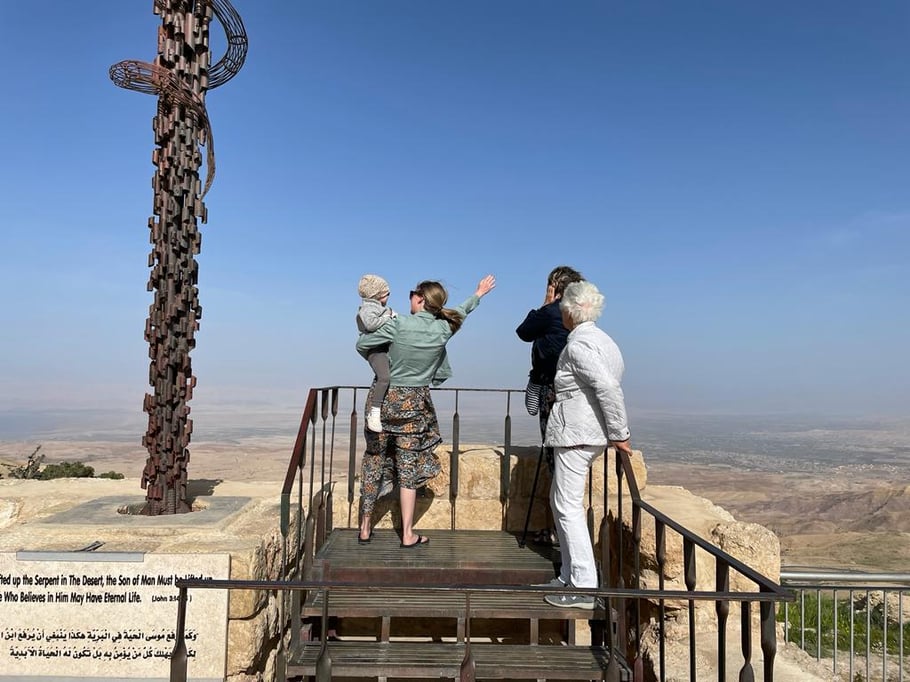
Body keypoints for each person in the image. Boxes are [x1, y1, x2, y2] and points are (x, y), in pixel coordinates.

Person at [355, 274, 497, 547]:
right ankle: (407, 534)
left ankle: (364, 527)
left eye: (411, 293)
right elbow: (462, 313)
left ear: (420, 299)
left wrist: (380, 360)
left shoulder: (398, 325)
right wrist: (478, 294)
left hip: (383, 402)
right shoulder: (444, 329)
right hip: (415, 403)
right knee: (408, 468)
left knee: (374, 460)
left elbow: (362, 344)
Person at [541, 280, 632, 609]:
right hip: (586, 434)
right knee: (560, 502)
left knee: (567, 508)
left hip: (577, 435)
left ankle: (582, 587)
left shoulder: (579, 346)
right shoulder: (605, 341)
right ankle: (569, 575)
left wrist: (620, 432)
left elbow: (607, 387)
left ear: (568, 312)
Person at [515, 265, 584, 545]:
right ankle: (562, 531)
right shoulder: (579, 317)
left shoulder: (552, 312)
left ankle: (559, 533)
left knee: (555, 461)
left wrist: (545, 302)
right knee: (565, 463)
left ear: (554, 287)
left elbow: (523, 332)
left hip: (551, 392)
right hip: (575, 395)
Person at [356, 274, 397, 432]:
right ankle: (375, 411)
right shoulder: (369, 309)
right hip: (376, 349)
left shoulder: (378, 309)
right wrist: (389, 317)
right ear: (378, 295)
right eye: (387, 293)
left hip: (382, 347)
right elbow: (371, 324)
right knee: (384, 377)